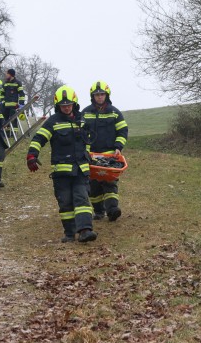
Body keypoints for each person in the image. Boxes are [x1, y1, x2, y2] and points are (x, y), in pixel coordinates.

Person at [26, 85, 97, 243]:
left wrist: (89, 154)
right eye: (63, 105)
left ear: (74, 104)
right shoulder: (53, 122)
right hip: (61, 172)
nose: (66, 108)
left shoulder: (82, 120)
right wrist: (32, 155)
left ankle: (85, 230)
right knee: (65, 202)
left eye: (69, 105)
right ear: (58, 106)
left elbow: (90, 139)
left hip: (80, 170)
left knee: (82, 199)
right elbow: (39, 139)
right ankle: (70, 233)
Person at [82, 80, 128, 222]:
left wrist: (118, 147)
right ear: (92, 96)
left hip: (109, 156)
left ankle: (112, 210)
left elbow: (123, 131)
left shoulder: (115, 113)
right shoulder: (85, 112)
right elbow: (80, 133)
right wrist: (84, 150)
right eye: (97, 95)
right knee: (93, 185)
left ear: (106, 95)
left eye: (102, 94)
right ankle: (99, 212)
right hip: (92, 155)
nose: (99, 97)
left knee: (110, 183)